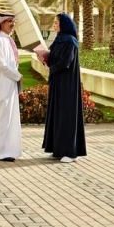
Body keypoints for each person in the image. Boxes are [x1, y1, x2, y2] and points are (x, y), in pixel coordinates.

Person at [41, 13, 87, 163]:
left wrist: (51, 68)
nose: (54, 26)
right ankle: (58, 149)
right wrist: (45, 59)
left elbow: (66, 62)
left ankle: (71, 152)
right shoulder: (59, 40)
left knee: (67, 116)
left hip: (67, 85)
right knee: (57, 115)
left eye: (56, 23)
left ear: (64, 25)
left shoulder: (70, 41)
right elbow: (56, 59)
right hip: (58, 83)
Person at [0, 12, 23, 162]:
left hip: (9, 85)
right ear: (1, 23)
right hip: (2, 86)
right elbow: (1, 64)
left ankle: (9, 150)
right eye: (9, 21)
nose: (12, 24)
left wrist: (15, 76)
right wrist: (17, 75)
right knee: (2, 119)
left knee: (9, 119)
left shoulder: (7, 40)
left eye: (13, 21)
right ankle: (0, 152)